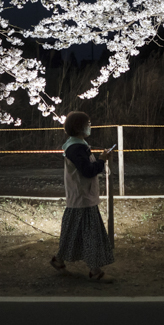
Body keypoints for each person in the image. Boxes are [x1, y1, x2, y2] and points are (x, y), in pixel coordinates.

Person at [50, 111, 115, 280]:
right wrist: (101, 160)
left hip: (79, 198)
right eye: (88, 123)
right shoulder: (77, 148)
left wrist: (101, 159)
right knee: (91, 234)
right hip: (82, 198)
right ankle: (95, 271)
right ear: (79, 127)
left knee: (72, 233)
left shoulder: (75, 145)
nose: (90, 126)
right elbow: (87, 171)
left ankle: (59, 260)